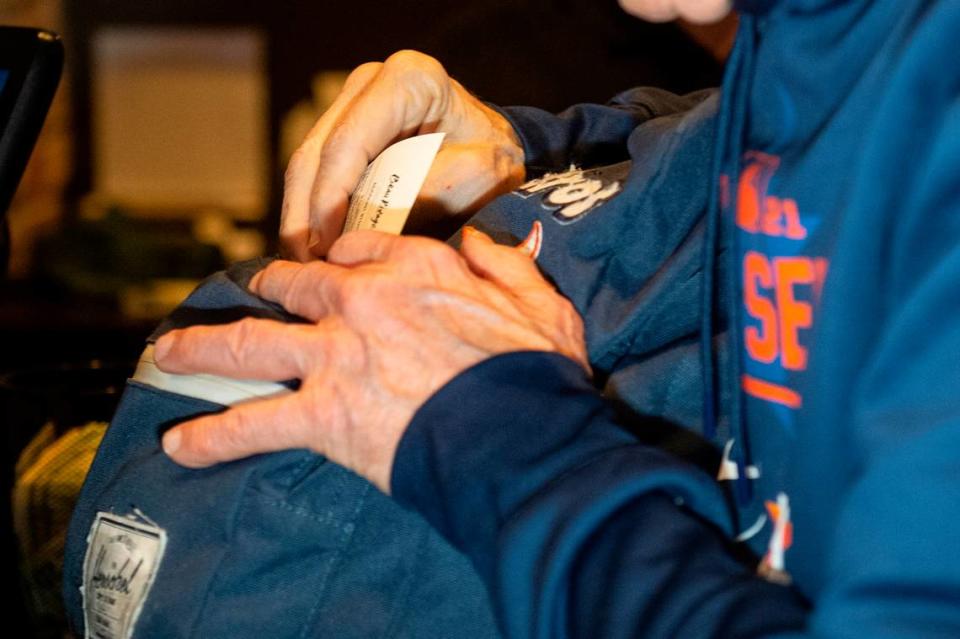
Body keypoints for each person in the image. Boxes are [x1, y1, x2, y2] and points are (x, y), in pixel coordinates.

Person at [152, 0, 960, 636]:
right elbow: (757, 128)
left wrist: (504, 436)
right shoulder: (833, 39)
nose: (637, 8)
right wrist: (532, 152)